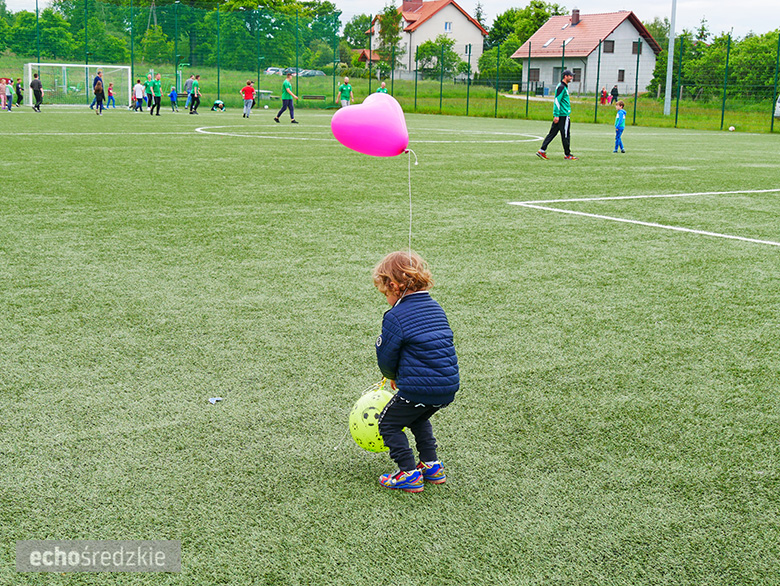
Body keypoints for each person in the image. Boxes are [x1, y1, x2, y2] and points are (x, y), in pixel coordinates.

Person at [372, 251, 459, 493]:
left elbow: (387, 355)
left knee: (388, 423)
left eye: (386, 294)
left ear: (394, 286)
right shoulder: (436, 307)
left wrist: (391, 375)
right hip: (448, 386)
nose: (387, 300)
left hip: (418, 388)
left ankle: (408, 472)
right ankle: (432, 466)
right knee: (418, 418)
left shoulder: (395, 316)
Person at [536, 69, 578, 160]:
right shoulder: (561, 87)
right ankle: (567, 155)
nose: (572, 77)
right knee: (565, 135)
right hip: (563, 115)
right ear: (565, 76)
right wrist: (556, 115)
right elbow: (557, 101)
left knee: (552, 133)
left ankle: (542, 150)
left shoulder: (563, 87)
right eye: (570, 76)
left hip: (561, 115)